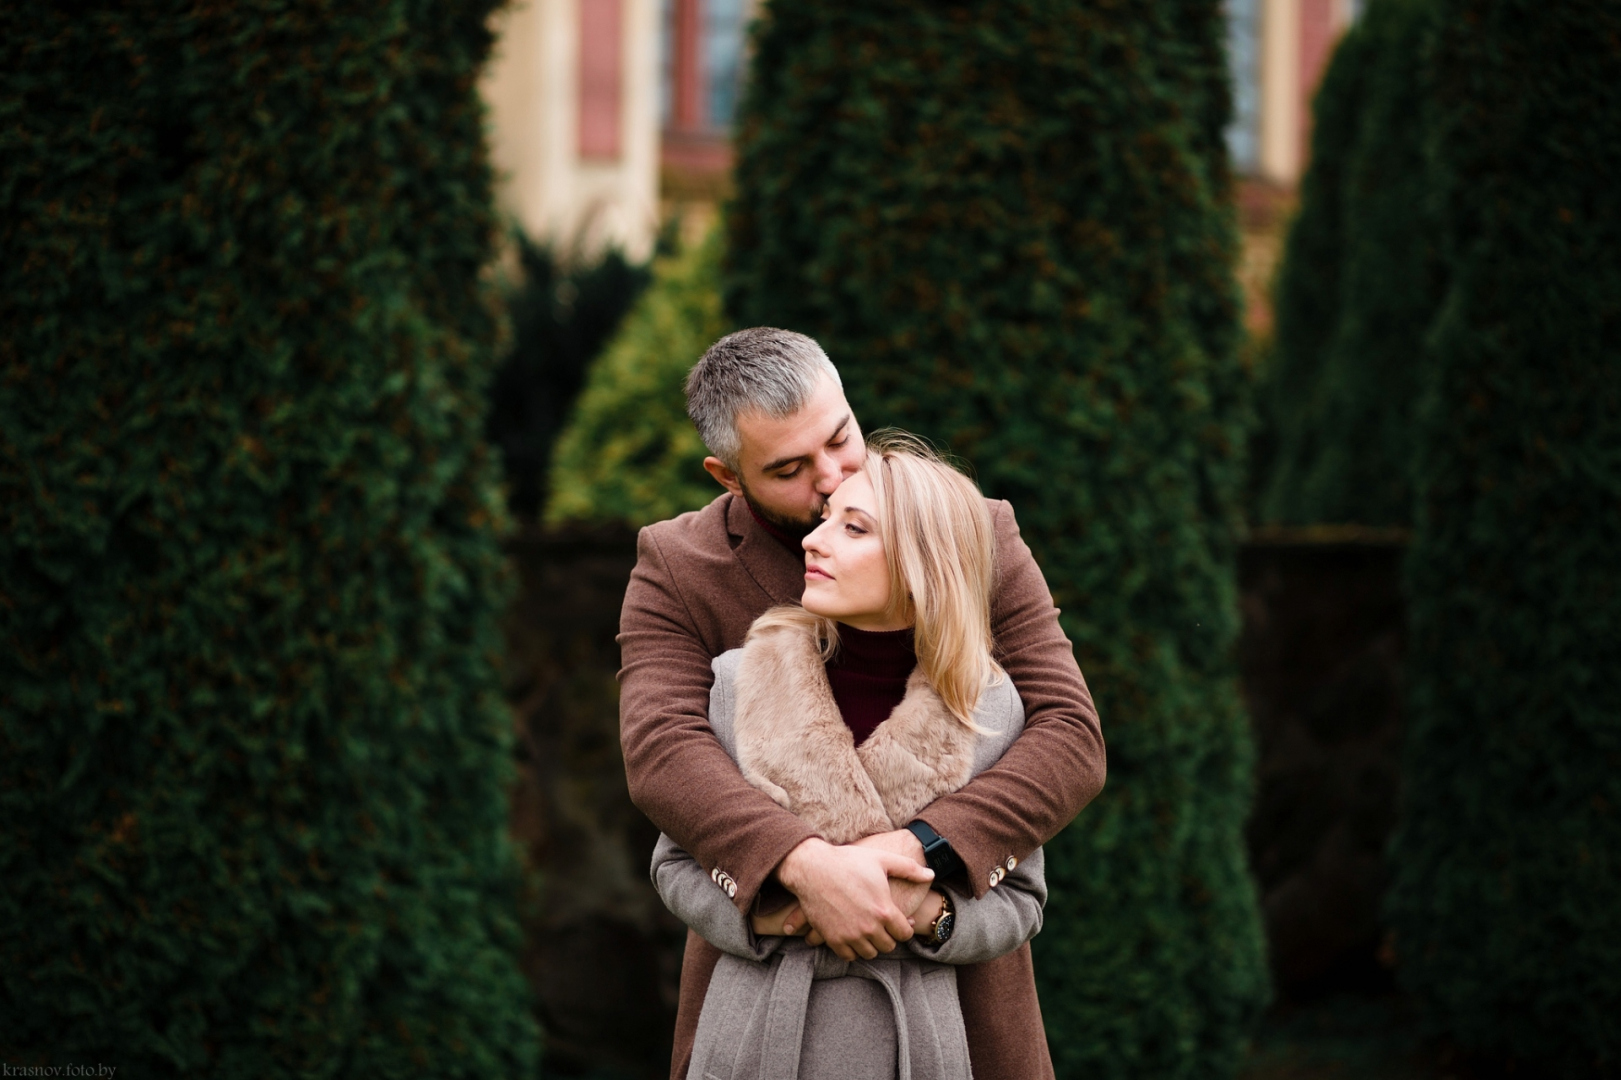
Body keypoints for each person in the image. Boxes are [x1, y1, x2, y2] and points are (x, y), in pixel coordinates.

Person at [619, 328, 1105, 1080]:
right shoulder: (677, 565)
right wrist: (804, 867)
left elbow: (1070, 736)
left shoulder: (973, 530)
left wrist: (915, 855)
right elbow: (661, 751)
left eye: (840, 438)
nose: (830, 475)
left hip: (961, 1006)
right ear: (727, 476)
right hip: (762, 1002)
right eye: (787, 469)